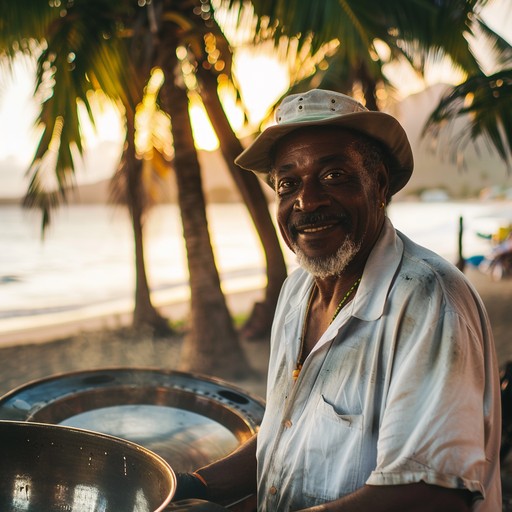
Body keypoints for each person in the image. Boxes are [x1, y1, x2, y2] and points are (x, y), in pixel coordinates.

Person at [172, 89, 502, 511]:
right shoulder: (297, 291)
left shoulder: (427, 298)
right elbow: (283, 438)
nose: (306, 201)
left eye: (334, 176)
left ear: (379, 184)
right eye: (288, 184)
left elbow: (432, 495)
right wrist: (190, 486)